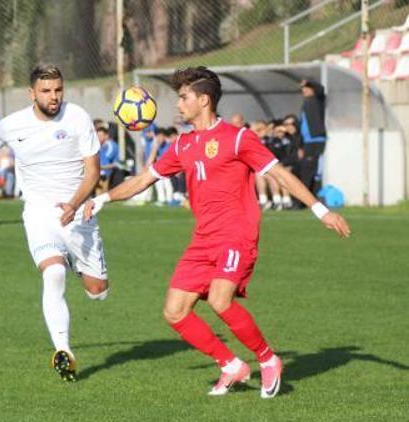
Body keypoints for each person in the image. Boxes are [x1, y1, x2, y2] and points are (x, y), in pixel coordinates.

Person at [86, 67, 350, 398]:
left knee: (219, 300)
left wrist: (320, 209)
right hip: (203, 239)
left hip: (237, 234)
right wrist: (103, 199)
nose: (178, 104)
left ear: (204, 100)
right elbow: (142, 180)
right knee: (174, 312)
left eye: (183, 98)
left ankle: (268, 360)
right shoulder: (182, 145)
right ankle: (230, 365)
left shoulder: (239, 138)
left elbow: (281, 175)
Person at [0, 64, 109, 382]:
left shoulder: (78, 118)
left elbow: (93, 172)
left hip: (78, 213)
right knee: (54, 273)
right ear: (32, 93)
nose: (54, 96)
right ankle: (64, 351)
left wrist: (74, 203)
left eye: (58, 89)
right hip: (39, 214)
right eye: (46, 91)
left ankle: (77, 261)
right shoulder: (11, 124)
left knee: (97, 291)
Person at [298, 79, 327, 195]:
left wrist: (309, 81)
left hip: (316, 141)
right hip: (307, 142)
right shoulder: (305, 103)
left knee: (311, 170)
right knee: (306, 169)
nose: (304, 90)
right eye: (303, 88)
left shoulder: (317, 100)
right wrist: (300, 145)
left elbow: (321, 89)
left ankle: (304, 199)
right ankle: (304, 198)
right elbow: (302, 125)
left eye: (307, 88)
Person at [97, 126, 119, 193]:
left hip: (107, 174)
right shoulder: (93, 145)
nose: (98, 137)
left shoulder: (113, 146)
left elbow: (116, 163)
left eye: (101, 135)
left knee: (103, 193)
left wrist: (102, 167)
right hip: (95, 173)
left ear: (106, 136)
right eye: (97, 135)